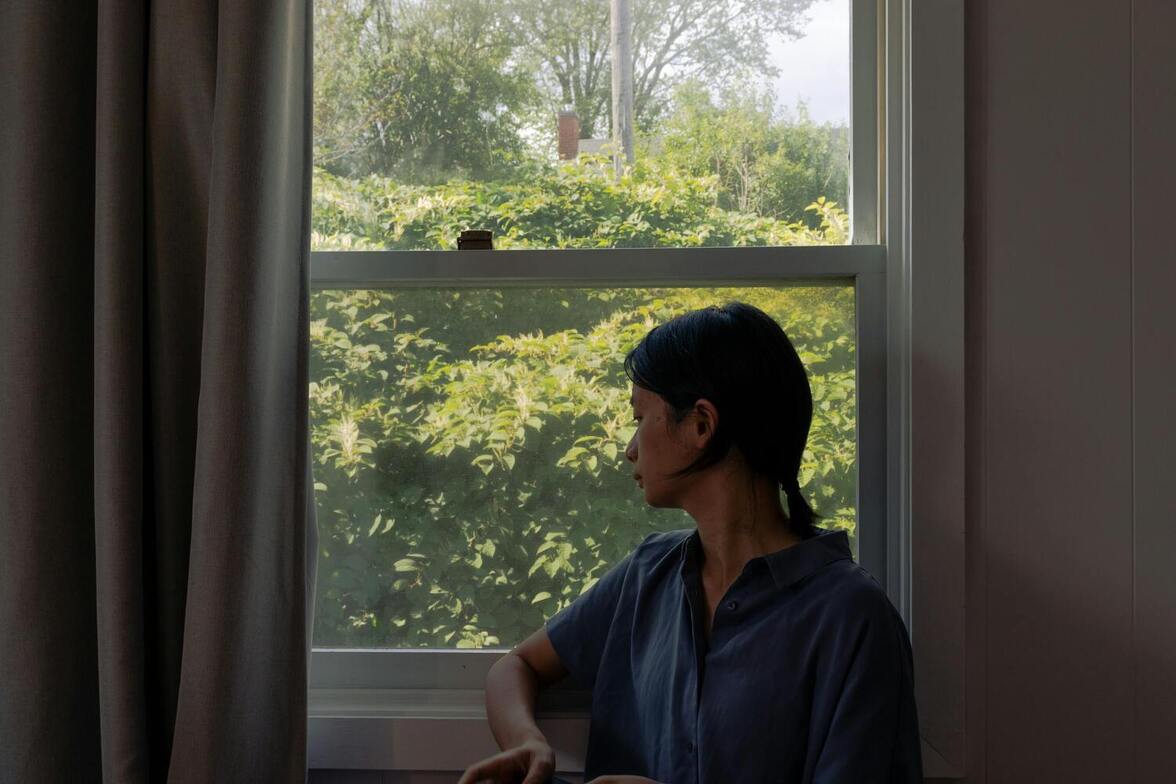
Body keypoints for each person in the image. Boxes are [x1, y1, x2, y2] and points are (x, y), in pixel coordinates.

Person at [458, 302, 923, 784]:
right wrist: (528, 744)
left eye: (640, 417)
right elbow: (515, 666)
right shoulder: (646, 574)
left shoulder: (853, 618)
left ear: (701, 424)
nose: (629, 448)